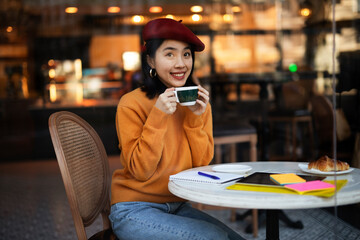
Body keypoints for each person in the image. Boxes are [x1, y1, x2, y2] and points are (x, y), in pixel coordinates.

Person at [109, 18, 245, 240]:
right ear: (151, 60)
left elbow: (200, 167)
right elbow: (140, 171)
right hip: (133, 209)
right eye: (169, 54)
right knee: (214, 238)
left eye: (186, 54)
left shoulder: (196, 103)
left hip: (177, 205)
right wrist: (158, 115)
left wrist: (194, 118)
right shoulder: (131, 103)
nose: (181, 63)